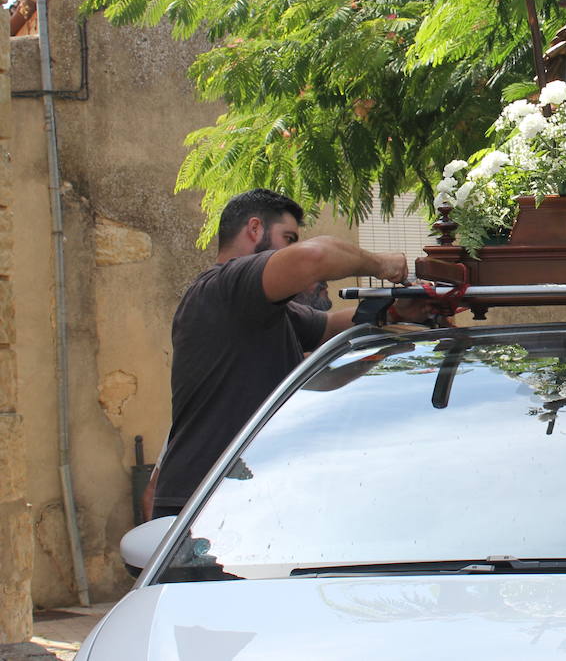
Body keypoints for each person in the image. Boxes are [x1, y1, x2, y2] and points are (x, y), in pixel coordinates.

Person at [150, 189, 432, 518]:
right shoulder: (226, 287)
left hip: (237, 497)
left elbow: (328, 326)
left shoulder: (263, 311)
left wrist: (399, 312)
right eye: (289, 238)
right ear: (254, 229)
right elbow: (314, 258)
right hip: (202, 506)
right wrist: (382, 264)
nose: (293, 248)